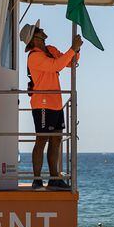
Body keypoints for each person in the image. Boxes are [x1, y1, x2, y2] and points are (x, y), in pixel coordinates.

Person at [19, 20, 82, 190]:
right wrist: (72, 49)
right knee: (42, 139)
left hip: (55, 102)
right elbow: (57, 64)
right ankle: (37, 179)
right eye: (39, 30)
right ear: (34, 38)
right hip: (42, 103)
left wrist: (76, 50)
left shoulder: (50, 50)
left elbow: (70, 62)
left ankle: (54, 178)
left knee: (56, 139)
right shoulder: (34, 56)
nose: (43, 30)